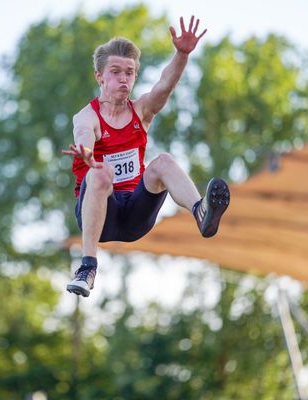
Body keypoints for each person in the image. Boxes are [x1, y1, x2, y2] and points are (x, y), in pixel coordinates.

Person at [62, 15, 230, 297]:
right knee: (101, 171)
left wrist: (181, 54)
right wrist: (87, 155)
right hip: (100, 213)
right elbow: (83, 135)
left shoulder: (140, 112)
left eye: (129, 72)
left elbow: (164, 85)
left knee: (162, 161)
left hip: (136, 216)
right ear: (100, 76)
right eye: (115, 71)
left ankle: (201, 212)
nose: (123, 78)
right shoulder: (87, 116)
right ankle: (88, 266)